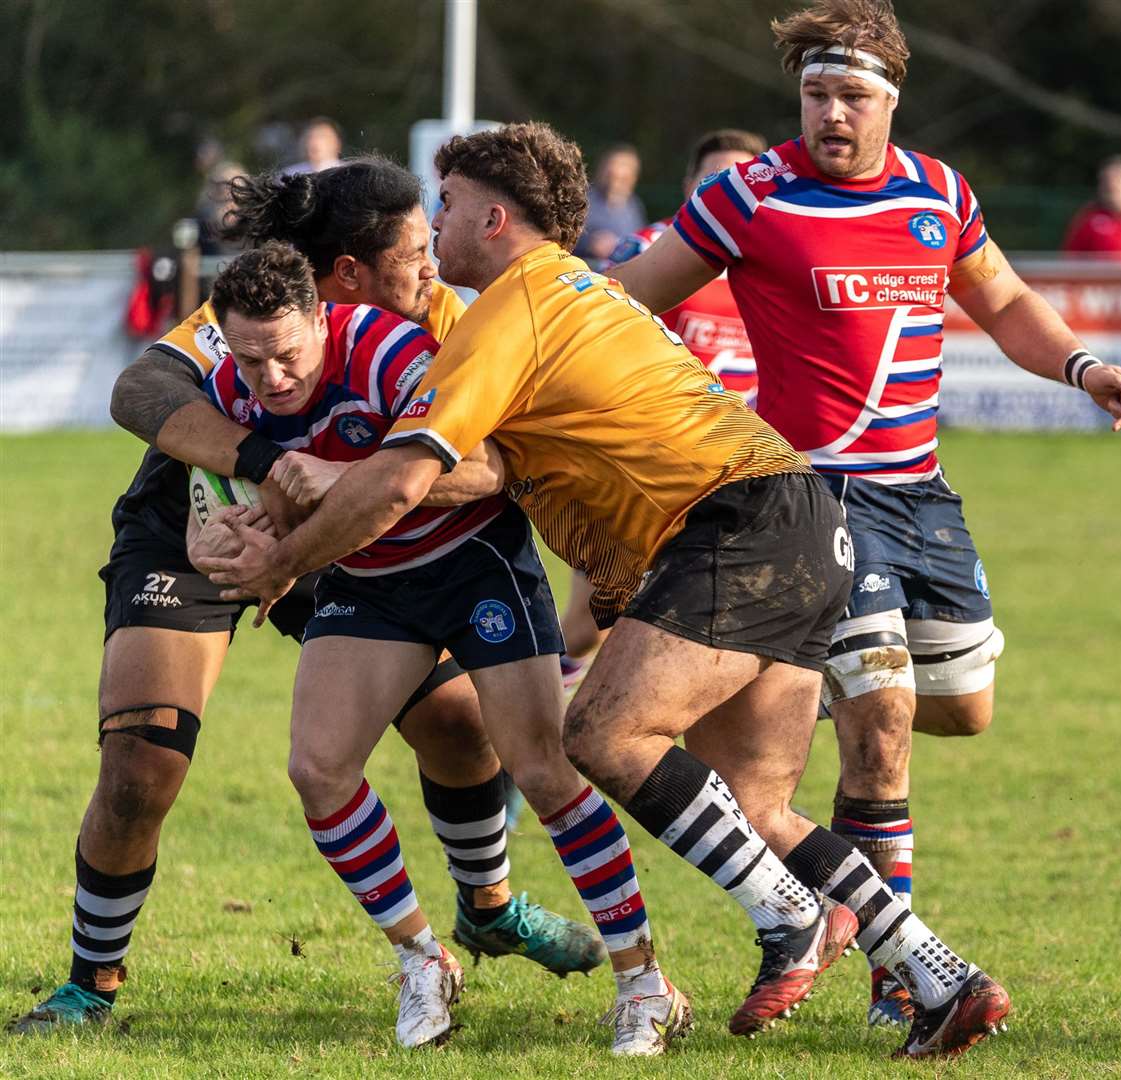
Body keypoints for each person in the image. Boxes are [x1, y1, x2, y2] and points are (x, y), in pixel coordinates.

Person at [201, 120, 1010, 1060]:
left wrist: (279, 563)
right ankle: (943, 977)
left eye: (448, 208)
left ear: (494, 217)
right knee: (758, 805)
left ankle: (788, 914)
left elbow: (405, 479)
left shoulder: (514, 306)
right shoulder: (576, 288)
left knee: (600, 735)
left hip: (733, 525)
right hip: (799, 521)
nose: (435, 232)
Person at [609, 0, 1121, 1034]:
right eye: (813, 93)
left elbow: (1001, 304)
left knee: (960, 711)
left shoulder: (936, 193)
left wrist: (1080, 365)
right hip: (816, 502)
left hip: (924, 502)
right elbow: (629, 296)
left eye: (850, 95)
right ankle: (898, 981)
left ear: (889, 101)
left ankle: (795, 676)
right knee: (884, 733)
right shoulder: (750, 195)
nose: (828, 113)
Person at [7, 159, 601, 1039]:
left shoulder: (431, 318)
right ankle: (92, 983)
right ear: (349, 275)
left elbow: (483, 462)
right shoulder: (252, 319)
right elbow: (139, 389)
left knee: (460, 724)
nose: (432, 259)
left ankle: (489, 908)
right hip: (197, 530)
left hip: (345, 525)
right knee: (144, 759)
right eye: (411, 247)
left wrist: (320, 502)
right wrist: (263, 469)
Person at [196, 242, 680, 1054]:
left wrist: (340, 479)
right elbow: (212, 505)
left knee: (544, 770)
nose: (270, 379)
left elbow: (490, 469)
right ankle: (423, 961)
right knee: (318, 769)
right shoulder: (227, 392)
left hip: (473, 566)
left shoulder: (393, 353)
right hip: (369, 582)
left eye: (285, 355)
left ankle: (644, 983)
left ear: (322, 317)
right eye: (250, 362)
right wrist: (225, 540)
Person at [560, 128, 768, 688]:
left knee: (693, 630)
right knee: (588, 626)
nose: (727, 189)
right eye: (713, 178)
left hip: (746, 472)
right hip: (648, 466)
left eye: (741, 179)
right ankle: (525, 717)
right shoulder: (648, 251)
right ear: (688, 186)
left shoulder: (773, 263)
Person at [573, 143, 646, 268]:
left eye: (623, 178)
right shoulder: (582, 200)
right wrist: (590, 243)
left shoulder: (634, 206)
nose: (616, 183)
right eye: (612, 176)